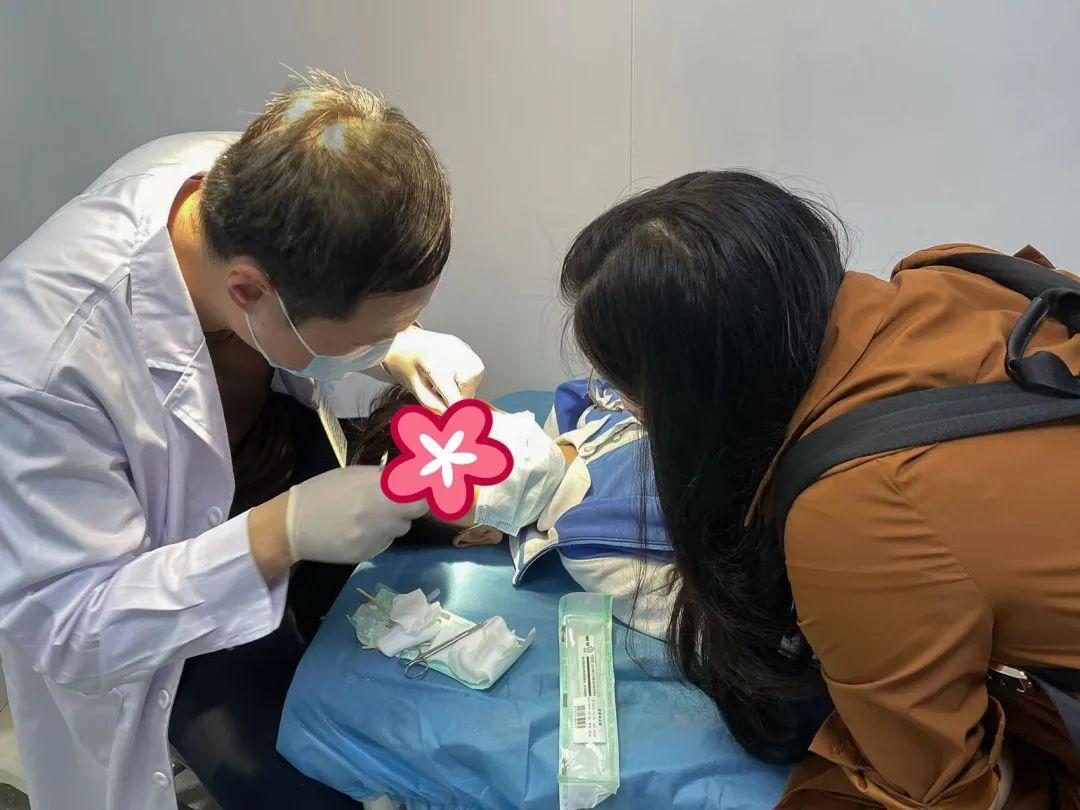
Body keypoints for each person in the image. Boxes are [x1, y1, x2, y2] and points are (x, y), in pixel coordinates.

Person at [0, 72, 485, 810]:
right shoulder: (38, 370)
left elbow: (308, 318)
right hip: (152, 593)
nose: (384, 345)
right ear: (250, 292)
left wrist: (400, 345)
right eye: (372, 335)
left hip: (260, 452)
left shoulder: (260, 187)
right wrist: (273, 534)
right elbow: (70, 631)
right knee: (289, 780)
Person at [559, 170, 1080, 806]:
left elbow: (939, 785)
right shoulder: (948, 274)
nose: (628, 412)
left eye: (631, 393)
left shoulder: (853, 509)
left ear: (694, 395)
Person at [350, 382, 677, 639]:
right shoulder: (594, 551)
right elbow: (697, 625)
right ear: (480, 534)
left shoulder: (584, 403)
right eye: (455, 480)